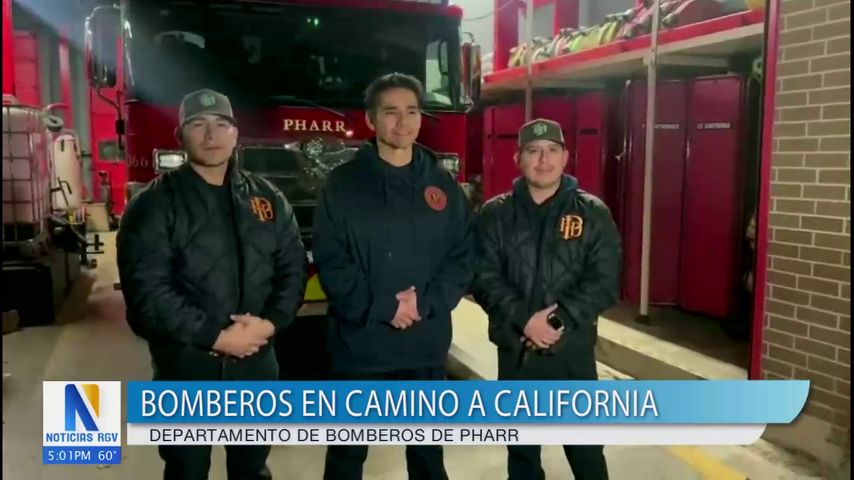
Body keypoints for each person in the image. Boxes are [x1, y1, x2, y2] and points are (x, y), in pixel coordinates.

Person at [116, 88, 307, 480]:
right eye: (198, 125)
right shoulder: (153, 205)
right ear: (180, 136)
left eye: (222, 125)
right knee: (187, 468)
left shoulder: (267, 198)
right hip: (187, 365)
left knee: (252, 467)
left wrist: (269, 324)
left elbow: (292, 269)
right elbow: (147, 294)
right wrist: (216, 337)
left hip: (256, 363)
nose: (211, 135)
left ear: (236, 134)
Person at [313, 73, 473, 480]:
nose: (403, 123)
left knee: (427, 458)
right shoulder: (342, 185)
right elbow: (332, 260)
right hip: (359, 346)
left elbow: (462, 256)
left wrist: (424, 304)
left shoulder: (443, 186)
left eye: (412, 112)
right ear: (371, 120)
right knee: (347, 458)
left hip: (424, 344)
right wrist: (385, 306)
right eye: (391, 113)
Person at [471, 119, 621, 480]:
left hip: (572, 353)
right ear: (517, 158)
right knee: (522, 453)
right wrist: (525, 319)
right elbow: (482, 276)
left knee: (586, 452)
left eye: (552, 150)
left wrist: (557, 321)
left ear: (566, 157)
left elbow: (604, 282)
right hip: (516, 352)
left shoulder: (592, 212)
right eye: (534, 151)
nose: (543, 160)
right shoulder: (495, 214)